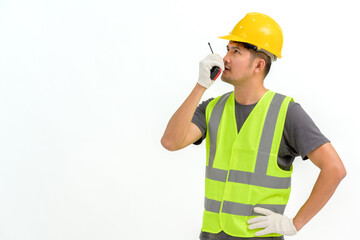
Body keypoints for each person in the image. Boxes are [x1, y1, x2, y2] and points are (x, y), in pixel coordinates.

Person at [161, 12, 346, 240]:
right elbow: (170, 142)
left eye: (235, 51)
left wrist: (295, 224)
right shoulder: (213, 108)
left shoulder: (286, 112)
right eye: (227, 49)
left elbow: (335, 169)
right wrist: (201, 85)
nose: (225, 58)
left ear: (258, 65)